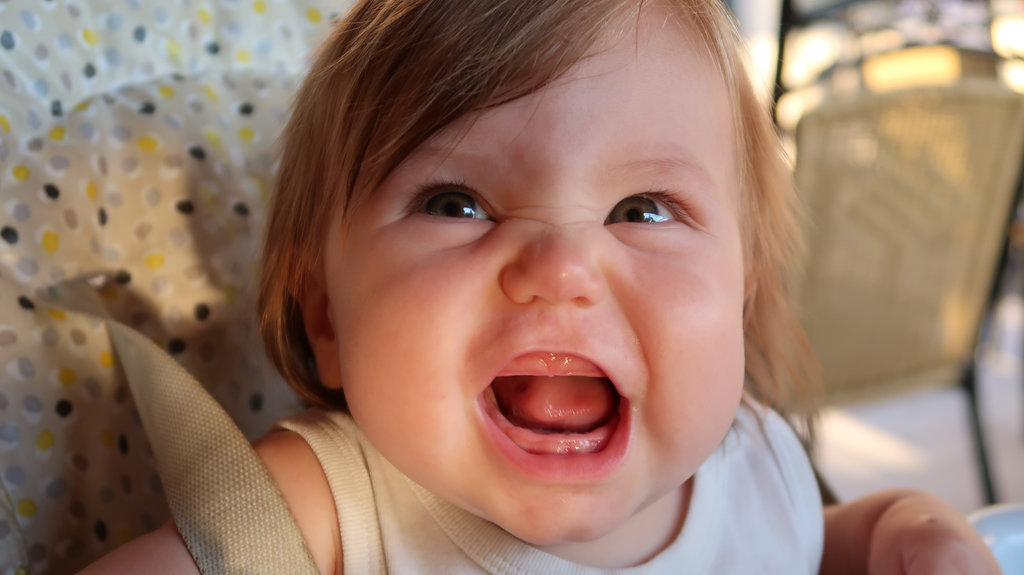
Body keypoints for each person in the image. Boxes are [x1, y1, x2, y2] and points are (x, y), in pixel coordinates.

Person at [82, 0, 1002, 573]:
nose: (561, 272)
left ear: (742, 298)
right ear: (326, 310)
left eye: (643, 209)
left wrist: (906, 530)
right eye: (457, 202)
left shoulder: (750, 460)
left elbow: (815, 545)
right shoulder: (330, 509)